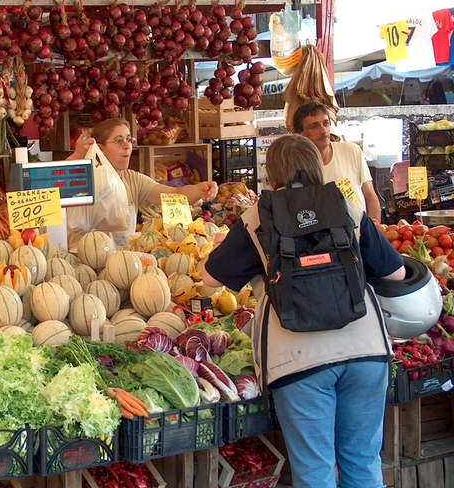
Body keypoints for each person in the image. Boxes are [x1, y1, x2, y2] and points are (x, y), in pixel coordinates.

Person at [200, 135, 405, 488]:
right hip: (366, 352)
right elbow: (396, 272)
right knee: (363, 461)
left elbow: (208, 278)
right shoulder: (346, 205)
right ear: (316, 165)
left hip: (298, 360)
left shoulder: (257, 217)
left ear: (270, 172)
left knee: (316, 472)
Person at [66, 118, 217, 247]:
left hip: (121, 263)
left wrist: (200, 190)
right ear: (100, 149)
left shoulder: (133, 179)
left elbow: (176, 194)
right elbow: (49, 191)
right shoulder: (82, 177)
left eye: (129, 140)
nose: (127, 146)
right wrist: (74, 160)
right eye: (119, 141)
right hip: (83, 263)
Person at [292, 100, 382, 221]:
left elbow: (370, 196)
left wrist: (374, 230)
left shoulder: (351, 151)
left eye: (326, 123)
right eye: (314, 126)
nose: (323, 131)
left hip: (362, 234)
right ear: (300, 135)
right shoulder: (295, 167)